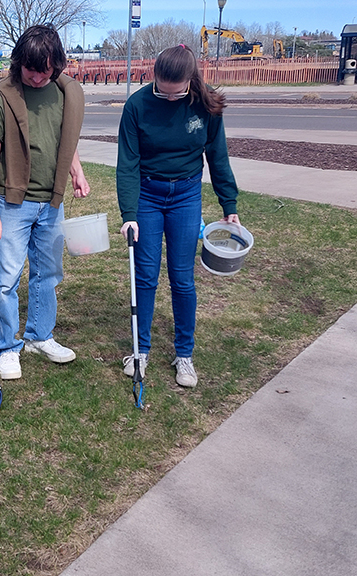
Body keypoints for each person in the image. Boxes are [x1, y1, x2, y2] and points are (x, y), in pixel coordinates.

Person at [117, 44, 241, 388]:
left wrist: (229, 206)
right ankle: (140, 350)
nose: (170, 98)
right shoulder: (137, 106)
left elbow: (218, 157)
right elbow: (127, 163)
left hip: (185, 195)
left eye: (177, 93)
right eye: (163, 91)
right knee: (145, 276)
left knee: (182, 278)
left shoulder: (206, 105)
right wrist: (129, 213)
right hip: (148, 195)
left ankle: (184, 354)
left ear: (190, 80)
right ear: (154, 77)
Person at [0, 24, 90, 380]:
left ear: (55, 64)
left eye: (46, 70)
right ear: (19, 62)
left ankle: (39, 336)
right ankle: (7, 347)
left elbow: (65, 139)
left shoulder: (65, 93)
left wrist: (77, 172)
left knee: (48, 274)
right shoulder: (1, 99)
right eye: (31, 69)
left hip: (52, 202)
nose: (39, 77)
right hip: (14, 203)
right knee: (7, 278)